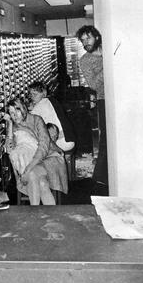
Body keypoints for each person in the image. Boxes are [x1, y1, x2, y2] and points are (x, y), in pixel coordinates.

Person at [4, 98, 68, 205]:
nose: (15, 115)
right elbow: (9, 150)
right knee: (42, 184)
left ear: (23, 109)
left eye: (17, 111)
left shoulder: (36, 120)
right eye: (11, 113)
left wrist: (27, 170)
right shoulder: (14, 126)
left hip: (50, 158)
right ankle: (51, 216)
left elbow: (43, 147)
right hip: (31, 163)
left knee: (32, 174)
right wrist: (10, 124)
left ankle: (34, 214)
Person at [76, 25, 108, 187]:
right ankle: (100, 180)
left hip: (123, 98)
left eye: (88, 38)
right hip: (104, 100)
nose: (85, 43)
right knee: (106, 139)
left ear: (96, 37)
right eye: (82, 40)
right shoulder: (85, 61)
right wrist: (108, 65)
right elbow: (94, 84)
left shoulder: (109, 48)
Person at [28, 81, 76, 152]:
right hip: (69, 139)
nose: (32, 97)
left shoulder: (39, 106)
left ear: (44, 94)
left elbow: (27, 121)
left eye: (35, 94)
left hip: (61, 143)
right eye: (31, 95)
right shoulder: (51, 100)